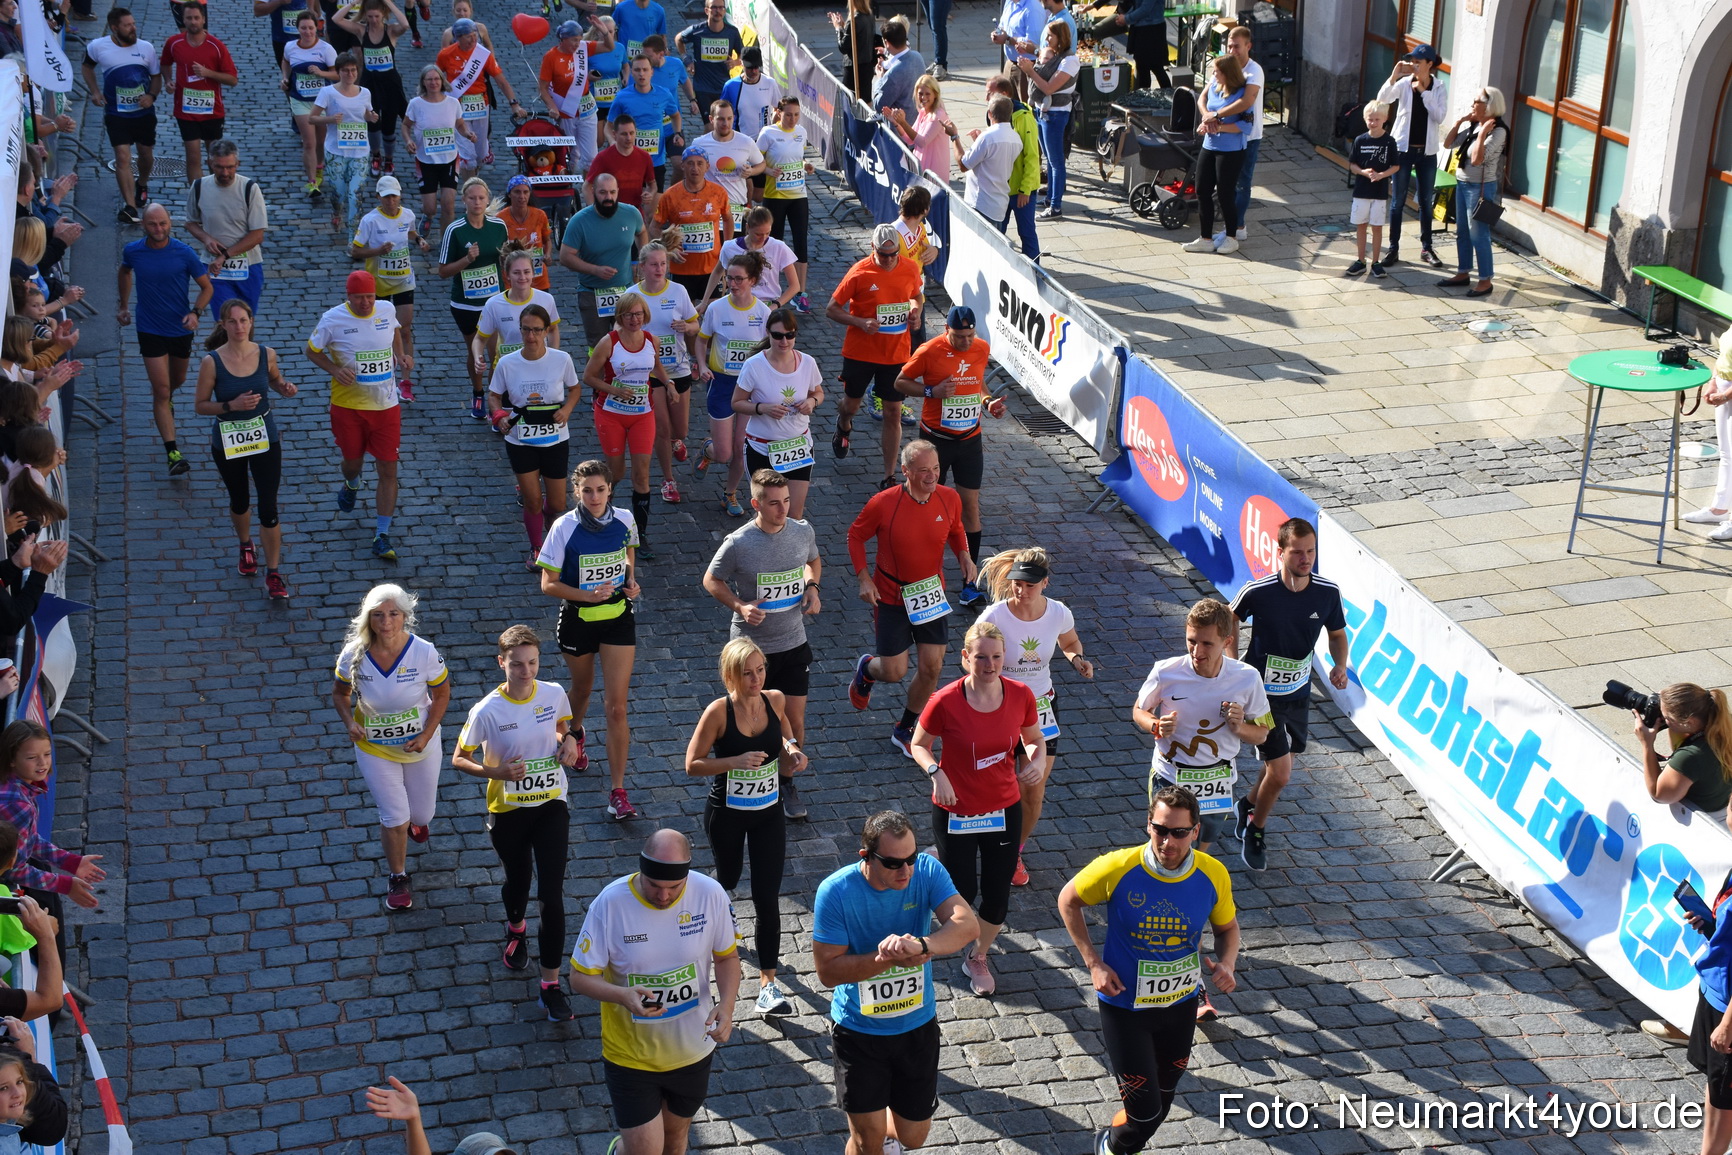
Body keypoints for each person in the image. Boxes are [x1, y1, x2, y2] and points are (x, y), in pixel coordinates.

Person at [1057, 785, 1241, 1154]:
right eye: (1160, 830)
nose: (1168, 842)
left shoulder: (1212, 873)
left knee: (1162, 1103)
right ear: (1148, 826)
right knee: (1143, 1114)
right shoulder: (1118, 866)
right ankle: (1108, 1147)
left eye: (1178, 832)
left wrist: (1227, 963)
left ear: (1195, 831)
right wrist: (1094, 963)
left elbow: (1227, 929)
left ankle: (1115, 1143)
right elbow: (1068, 900)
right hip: (1126, 1007)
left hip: (1180, 1005)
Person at [811, 810, 978, 1155]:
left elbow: (967, 925)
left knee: (913, 1137)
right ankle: (867, 1126)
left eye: (911, 859)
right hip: (858, 1032)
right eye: (892, 863)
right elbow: (827, 973)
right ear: (866, 857)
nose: (905, 871)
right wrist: (884, 959)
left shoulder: (927, 871)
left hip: (916, 1028)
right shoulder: (835, 892)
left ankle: (874, 1119)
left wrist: (923, 945)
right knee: (866, 1141)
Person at [569, 829, 740, 1155]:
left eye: (674, 888)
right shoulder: (610, 903)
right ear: (640, 871)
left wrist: (727, 1006)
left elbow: (727, 958)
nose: (663, 896)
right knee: (644, 1151)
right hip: (631, 1056)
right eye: (654, 886)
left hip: (692, 1050)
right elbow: (578, 977)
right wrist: (622, 995)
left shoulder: (710, 894)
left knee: (674, 1142)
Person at [453, 624, 584, 1020]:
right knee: (518, 880)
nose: (525, 671)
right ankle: (515, 928)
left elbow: (564, 726)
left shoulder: (554, 693)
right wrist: (495, 772)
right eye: (516, 665)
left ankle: (550, 984)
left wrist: (572, 741)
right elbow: (460, 758)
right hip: (508, 809)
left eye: (532, 663)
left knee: (552, 896)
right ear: (501, 664)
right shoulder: (487, 711)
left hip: (550, 804)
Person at [906, 619, 1043, 996]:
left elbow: (1035, 738)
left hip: (1002, 808)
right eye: (981, 657)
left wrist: (1034, 761)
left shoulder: (1020, 695)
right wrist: (936, 772)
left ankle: (978, 955)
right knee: (962, 892)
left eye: (997, 657)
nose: (990, 665)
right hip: (956, 809)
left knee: (998, 895)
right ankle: (938, 858)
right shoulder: (945, 701)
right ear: (966, 658)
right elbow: (918, 743)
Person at [684, 637, 807, 1012]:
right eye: (747, 673)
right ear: (730, 676)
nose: (755, 679)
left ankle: (768, 984)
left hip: (768, 812)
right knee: (729, 877)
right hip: (728, 812)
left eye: (760, 671)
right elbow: (693, 764)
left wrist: (791, 748)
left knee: (767, 897)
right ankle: (712, 905)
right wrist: (734, 761)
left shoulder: (775, 699)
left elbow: (785, 729)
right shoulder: (718, 712)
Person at [1226, 517, 1349, 872]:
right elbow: (1229, 616)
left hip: (1298, 694)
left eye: (1311, 551)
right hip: (1261, 697)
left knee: (1279, 765)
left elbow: (1337, 634)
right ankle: (1255, 829)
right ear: (1280, 552)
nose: (1306, 558)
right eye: (1297, 552)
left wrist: (1340, 665)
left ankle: (1247, 805)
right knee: (1281, 774)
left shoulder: (1326, 592)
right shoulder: (1259, 591)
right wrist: (1235, 664)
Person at [847, 439, 976, 754]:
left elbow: (957, 529)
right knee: (894, 671)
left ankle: (905, 728)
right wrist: (864, 579)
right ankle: (868, 669)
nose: (932, 476)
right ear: (905, 471)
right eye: (923, 471)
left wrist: (964, 555)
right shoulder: (883, 503)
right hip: (891, 594)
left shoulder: (949, 498)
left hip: (930, 593)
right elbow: (855, 536)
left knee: (931, 668)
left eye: (935, 469)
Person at [702, 468, 819, 814]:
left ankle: (786, 785)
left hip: (793, 642)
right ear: (755, 504)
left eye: (786, 501)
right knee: (752, 725)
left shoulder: (802, 530)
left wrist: (812, 586)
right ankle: (744, 782)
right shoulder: (738, 543)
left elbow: (812, 560)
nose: (783, 509)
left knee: (794, 722)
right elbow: (711, 579)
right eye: (774, 504)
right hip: (752, 651)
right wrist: (740, 605)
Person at [976, 546, 1091, 886]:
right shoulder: (993, 617)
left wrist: (1077, 659)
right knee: (992, 785)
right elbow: (970, 660)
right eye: (1016, 583)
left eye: (1029, 584)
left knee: (1033, 791)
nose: (1021, 590)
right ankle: (979, 838)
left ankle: (1014, 851)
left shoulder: (1058, 613)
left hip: (1041, 708)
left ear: (1045, 583)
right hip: (998, 707)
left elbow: (1070, 641)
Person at [537, 459, 643, 821]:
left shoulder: (625, 519)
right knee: (581, 690)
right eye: (587, 490)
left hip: (617, 621)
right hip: (578, 621)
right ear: (577, 493)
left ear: (610, 489)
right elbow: (548, 584)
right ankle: (576, 732)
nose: (595, 496)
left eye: (600, 489)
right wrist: (587, 596)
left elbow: (629, 552)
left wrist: (630, 582)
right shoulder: (563, 528)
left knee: (617, 706)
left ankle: (618, 792)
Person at [332, 584, 449, 909]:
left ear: (405, 617)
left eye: (393, 614)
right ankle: (398, 877)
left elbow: (441, 695)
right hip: (375, 747)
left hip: (418, 744)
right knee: (394, 817)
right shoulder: (353, 654)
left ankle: (416, 823)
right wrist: (349, 722)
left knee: (421, 814)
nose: (386, 622)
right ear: (368, 619)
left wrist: (426, 734)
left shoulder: (424, 652)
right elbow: (340, 695)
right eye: (379, 615)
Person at [1131, 598, 1271, 866]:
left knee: (1204, 842)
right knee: (1166, 842)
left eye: (1207, 643)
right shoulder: (1166, 672)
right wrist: (1155, 725)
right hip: (1170, 773)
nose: (1196, 651)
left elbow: (1263, 733)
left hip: (1217, 776)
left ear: (1227, 642)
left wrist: (1240, 727)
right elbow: (1139, 709)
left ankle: (1194, 879)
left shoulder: (1247, 677)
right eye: (1191, 641)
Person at [893, 305, 1001, 601]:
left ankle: (970, 581)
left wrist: (988, 401)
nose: (966, 342)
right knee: (929, 507)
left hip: (969, 439)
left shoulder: (980, 348)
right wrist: (931, 392)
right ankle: (924, 575)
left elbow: (978, 380)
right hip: (936, 441)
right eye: (958, 336)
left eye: (970, 335)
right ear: (946, 330)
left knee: (970, 507)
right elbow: (900, 382)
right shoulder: (929, 351)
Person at [192, 300, 298, 599]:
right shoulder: (212, 362)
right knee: (240, 500)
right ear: (223, 325)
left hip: (265, 435)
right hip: (228, 438)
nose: (239, 327)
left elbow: (276, 381)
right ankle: (245, 545)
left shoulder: (266, 354)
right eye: (233, 321)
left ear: (251, 322)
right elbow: (200, 406)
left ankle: (274, 572)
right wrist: (231, 406)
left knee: (269, 506)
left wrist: (285, 388)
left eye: (244, 320)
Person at [306, 269, 413, 561]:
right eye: (359, 298)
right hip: (348, 407)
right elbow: (311, 351)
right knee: (352, 463)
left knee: (388, 470)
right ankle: (352, 482)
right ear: (348, 296)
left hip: (386, 407)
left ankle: (382, 533)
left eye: (369, 297)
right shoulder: (333, 319)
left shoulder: (386, 308)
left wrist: (400, 356)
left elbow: (395, 333)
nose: (366, 303)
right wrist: (334, 370)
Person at [117, 204, 214, 477]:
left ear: (170, 223)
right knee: (161, 390)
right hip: (149, 328)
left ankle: (166, 401)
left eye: (162, 224)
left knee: (177, 381)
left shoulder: (184, 253)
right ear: (143, 225)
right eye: (152, 224)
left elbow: (207, 287)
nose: (158, 229)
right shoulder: (133, 251)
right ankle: (173, 453)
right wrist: (123, 305)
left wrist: (195, 313)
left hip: (180, 329)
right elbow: (124, 272)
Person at [826, 223, 923, 481]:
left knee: (893, 412)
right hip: (861, 353)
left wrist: (916, 313)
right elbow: (832, 309)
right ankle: (843, 425)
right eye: (884, 254)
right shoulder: (859, 272)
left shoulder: (910, 267)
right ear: (873, 248)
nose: (890, 260)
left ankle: (889, 475)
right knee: (851, 406)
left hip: (896, 354)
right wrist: (860, 322)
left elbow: (917, 296)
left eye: (894, 254)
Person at [488, 303, 578, 563]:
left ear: (547, 331)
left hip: (555, 438)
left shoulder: (561, 359)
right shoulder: (507, 363)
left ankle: (548, 521)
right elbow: (493, 396)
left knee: (558, 504)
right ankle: (537, 547)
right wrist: (498, 415)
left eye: (537, 330)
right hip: (520, 439)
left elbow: (575, 389)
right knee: (533, 500)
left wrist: (568, 409)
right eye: (526, 330)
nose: (530, 337)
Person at [584, 291, 672, 554]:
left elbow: (655, 366)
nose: (634, 319)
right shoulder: (608, 342)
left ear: (645, 315)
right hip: (611, 413)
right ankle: (599, 519)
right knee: (617, 472)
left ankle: (639, 535)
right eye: (628, 314)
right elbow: (589, 377)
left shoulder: (651, 340)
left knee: (642, 475)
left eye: (638, 314)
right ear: (620, 316)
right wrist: (614, 390)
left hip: (642, 415)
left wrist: (668, 384)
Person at [692, 250, 771, 514]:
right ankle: (708, 449)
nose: (733, 284)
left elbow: (768, 351)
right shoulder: (716, 308)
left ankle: (730, 493)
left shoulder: (762, 313)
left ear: (753, 280)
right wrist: (702, 365)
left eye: (739, 279)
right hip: (722, 383)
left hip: (750, 388)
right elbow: (702, 340)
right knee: (724, 453)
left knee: (741, 448)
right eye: (729, 279)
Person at [0, 721, 103, 910]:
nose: (43, 763)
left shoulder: (18, 787)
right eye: (32, 757)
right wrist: (65, 884)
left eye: (47, 754)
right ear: (12, 759)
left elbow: (27, 840)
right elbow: (12, 867)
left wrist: (70, 862)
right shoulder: (18, 804)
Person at [733, 305, 823, 520]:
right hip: (762, 448)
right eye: (778, 336)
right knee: (768, 516)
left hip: (798, 447)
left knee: (794, 515)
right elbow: (736, 403)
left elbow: (818, 392)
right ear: (768, 334)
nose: (784, 342)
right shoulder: (754, 366)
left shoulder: (808, 362)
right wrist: (762, 408)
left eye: (789, 336)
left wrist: (812, 401)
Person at [629, 243, 699, 504]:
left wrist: (687, 326)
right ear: (642, 266)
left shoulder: (678, 291)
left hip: (678, 368)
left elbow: (695, 325)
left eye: (663, 264)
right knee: (661, 428)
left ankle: (677, 441)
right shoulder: (632, 295)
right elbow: (618, 330)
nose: (659, 269)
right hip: (648, 372)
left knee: (680, 429)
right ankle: (668, 479)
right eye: (654, 264)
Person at [352, 176, 428, 401]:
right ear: (378, 197)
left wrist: (419, 241)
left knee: (404, 329)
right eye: (386, 197)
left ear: (400, 195)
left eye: (394, 196)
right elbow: (355, 251)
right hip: (379, 283)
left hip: (404, 279)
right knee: (383, 332)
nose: (391, 201)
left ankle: (405, 381)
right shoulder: (370, 221)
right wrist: (376, 251)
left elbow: (411, 232)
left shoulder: (408, 215)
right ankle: (386, 377)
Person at [438, 177, 508, 419]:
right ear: (464, 200)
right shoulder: (455, 230)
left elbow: (505, 259)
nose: (477, 202)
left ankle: (493, 398)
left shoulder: (499, 226)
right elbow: (443, 271)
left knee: (495, 353)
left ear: (487, 199)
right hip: (465, 304)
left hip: (494, 302)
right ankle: (477, 392)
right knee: (475, 353)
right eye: (472, 198)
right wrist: (467, 260)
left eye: (481, 198)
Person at [82, 7, 160, 225]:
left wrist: (151, 96)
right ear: (115, 28)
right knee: (123, 157)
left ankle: (142, 183)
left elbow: (156, 77)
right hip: (116, 113)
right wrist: (95, 92)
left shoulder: (146, 48)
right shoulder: (98, 47)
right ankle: (130, 207)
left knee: (145, 155)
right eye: (127, 25)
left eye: (134, 24)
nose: (133, 28)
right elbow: (86, 67)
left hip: (143, 113)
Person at [561, 173, 650, 354]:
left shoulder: (631, 213)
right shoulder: (579, 221)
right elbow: (565, 256)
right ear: (593, 192)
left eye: (612, 192)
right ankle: (597, 381)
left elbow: (641, 232)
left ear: (618, 192)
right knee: (598, 348)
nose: (608, 198)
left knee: (629, 341)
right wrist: (595, 270)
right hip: (592, 293)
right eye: (603, 192)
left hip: (624, 292)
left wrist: (641, 260)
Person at [1375, 42, 1445, 266]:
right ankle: (1393, 249)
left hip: (1427, 152)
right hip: (1403, 151)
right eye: (1412, 62)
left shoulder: (1439, 87)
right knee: (1397, 202)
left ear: (1429, 64)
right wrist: (1393, 76)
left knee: (1426, 201)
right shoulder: (1404, 84)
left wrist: (1424, 93)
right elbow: (1383, 99)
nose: (1414, 65)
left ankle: (1427, 248)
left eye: (1418, 62)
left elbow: (1439, 116)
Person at [184, 141, 270, 321]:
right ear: (210, 163)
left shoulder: (249, 188)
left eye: (230, 167)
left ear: (237, 164)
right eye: (219, 167)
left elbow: (257, 235)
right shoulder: (199, 187)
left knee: (246, 320)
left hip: (248, 266)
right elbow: (191, 222)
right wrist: (206, 239)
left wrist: (225, 256)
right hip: (214, 268)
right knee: (224, 320)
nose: (225, 173)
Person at [1438, 86, 1508, 298]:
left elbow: (1477, 159)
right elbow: (1449, 143)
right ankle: (1463, 272)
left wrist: (1482, 134)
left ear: (1489, 106)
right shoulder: (1474, 127)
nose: (1472, 105)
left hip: (1479, 188)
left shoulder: (1498, 131)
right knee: (1463, 232)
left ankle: (1485, 280)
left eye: (1476, 101)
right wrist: (1460, 123)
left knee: (1479, 235)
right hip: (1462, 183)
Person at [1631, 684, 1732, 825]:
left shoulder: (1691, 756)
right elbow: (1680, 748)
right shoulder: (1723, 723)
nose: (1664, 720)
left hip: (1704, 825)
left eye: (1666, 718)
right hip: (1722, 804)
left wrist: (1646, 744)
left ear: (1688, 722)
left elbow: (1659, 795)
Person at [331, 0, 411, 178]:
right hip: (370, 82)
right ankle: (376, 155)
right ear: (365, 16)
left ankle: (389, 159)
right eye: (370, 16)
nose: (374, 20)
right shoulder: (361, 30)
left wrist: (388, 3)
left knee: (389, 123)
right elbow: (336, 19)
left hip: (390, 81)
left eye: (377, 16)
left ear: (383, 14)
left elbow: (405, 24)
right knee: (372, 121)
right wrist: (353, 4)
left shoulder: (390, 31)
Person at [160, 1, 236, 184]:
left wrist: (208, 73)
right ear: (183, 20)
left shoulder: (216, 46)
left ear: (203, 20)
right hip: (186, 111)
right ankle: (198, 196)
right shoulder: (174, 43)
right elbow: (165, 63)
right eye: (189, 18)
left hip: (212, 111)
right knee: (193, 158)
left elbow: (232, 80)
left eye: (196, 18)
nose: (193, 22)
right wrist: (168, 81)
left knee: (214, 158)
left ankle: (216, 193)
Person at [437, 17, 524, 175]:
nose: (474, 39)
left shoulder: (483, 55)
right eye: (469, 36)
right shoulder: (446, 55)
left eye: (475, 35)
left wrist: (514, 104)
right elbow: (436, 77)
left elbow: (501, 81)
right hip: (457, 107)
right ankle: (470, 191)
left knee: (479, 155)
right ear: (458, 38)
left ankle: (479, 163)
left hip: (481, 106)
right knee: (467, 157)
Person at [1184, 55, 1251, 256]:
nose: (1213, 74)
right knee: (1202, 190)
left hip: (1231, 150)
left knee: (1225, 193)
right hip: (1210, 146)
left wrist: (1219, 125)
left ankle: (1231, 237)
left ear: (1228, 73)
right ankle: (1205, 238)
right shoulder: (1214, 85)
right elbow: (1202, 100)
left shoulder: (1241, 94)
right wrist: (1206, 119)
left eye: (1217, 71)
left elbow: (1246, 125)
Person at [401, 65, 475, 235]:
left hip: (449, 159)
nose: (434, 83)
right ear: (423, 82)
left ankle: (446, 241)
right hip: (425, 161)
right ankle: (427, 216)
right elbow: (405, 125)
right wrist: (408, 140)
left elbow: (460, 124)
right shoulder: (416, 104)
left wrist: (467, 133)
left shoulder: (453, 103)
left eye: (436, 79)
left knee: (448, 204)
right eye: (430, 79)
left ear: (442, 81)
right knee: (430, 207)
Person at [474, 242, 561, 387]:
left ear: (533, 273)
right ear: (507, 275)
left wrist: (552, 356)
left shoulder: (546, 299)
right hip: (507, 371)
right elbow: (479, 339)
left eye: (526, 272)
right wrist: (478, 357)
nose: (522, 277)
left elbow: (552, 330)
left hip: (538, 369)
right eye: (516, 272)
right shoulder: (494, 304)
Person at [756, 97, 815, 312]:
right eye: (788, 114)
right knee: (772, 243)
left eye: (796, 114)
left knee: (801, 242)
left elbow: (796, 158)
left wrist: (805, 165)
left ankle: (801, 294)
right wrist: (768, 171)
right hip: (775, 197)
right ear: (779, 112)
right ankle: (769, 291)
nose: (793, 119)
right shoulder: (768, 134)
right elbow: (756, 162)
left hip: (798, 194)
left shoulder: (801, 133)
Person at [309, 52, 379, 231]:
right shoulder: (328, 92)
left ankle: (353, 236)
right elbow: (312, 118)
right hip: (336, 151)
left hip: (360, 152)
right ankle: (336, 211)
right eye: (346, 71)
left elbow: (366, 114)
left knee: (355, 195)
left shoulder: (366, 93)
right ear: (338, 72)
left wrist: (371, 117)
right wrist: (330, 119)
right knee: (338, 193)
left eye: (353, 70)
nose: (350, 74)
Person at [538, 19, 616, 179]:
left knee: (591, 157)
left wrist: (605, 32)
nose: (577, 43)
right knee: (570, 155)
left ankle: (588, 189)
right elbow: (543, 88)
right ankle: (567, 187)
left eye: (580, 39)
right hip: (566, 112)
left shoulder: (583, 48)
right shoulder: (551, 57)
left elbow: (609, 46)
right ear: (563, 39)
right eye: (574, 40)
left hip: (587, 109)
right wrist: (552, 106)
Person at [1016, 21, 1076, 220]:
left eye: (1051, 36)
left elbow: (1049, 88)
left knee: (1056, 161)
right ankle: (1050, 198)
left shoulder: (1070, 60)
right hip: (1042, 111)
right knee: (1050, 161)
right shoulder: (1054, 55)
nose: (1047, 39)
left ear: (1061, 37)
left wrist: (1030, 71)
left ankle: (1056, 207)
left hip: (1056, 113)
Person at [654, 150, 731, 303]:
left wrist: (726, 247)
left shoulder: (718, 192)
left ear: (707, 166)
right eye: (690, 163)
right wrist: (668, 248)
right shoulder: (670, 195)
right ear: (682, 166)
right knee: (683, 319)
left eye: (699, 163)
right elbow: (654, 227)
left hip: (712, 268)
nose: (695, 168)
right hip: (681, 269)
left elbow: (728, 219)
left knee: (713, 316)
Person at [947, 96, 1020, 248]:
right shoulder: (1016, 138)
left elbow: (963, 164)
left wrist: (954, 137)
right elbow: (994, 160)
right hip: (999, 205)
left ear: (989, 114)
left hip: (981, 204)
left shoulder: (987, 137)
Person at [689, 104, 766, 248]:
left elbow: (761, 164)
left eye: (729, 118)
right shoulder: (699, 144)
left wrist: (751, 172)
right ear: (711, 119)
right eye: (721, 119)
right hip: (708, 207)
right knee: (711, 252)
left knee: (735, 253)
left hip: (736, 208)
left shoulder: (745, 142)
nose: (726, 123)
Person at [280, 11, 339, 198]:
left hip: (321, 103)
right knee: (309, 142)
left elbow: (337, 74)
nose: (307, 32)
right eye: (303, 28)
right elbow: (286, 62)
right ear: (297, 29)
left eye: (311, 28)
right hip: (299, 101)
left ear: (317, 28)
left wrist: (321, 74)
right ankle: (312, 182)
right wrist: (285, 78)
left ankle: (319, 168)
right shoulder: (290, 47)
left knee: (321, 142)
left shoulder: (326, 49)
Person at [1342, 99, 1399, 277]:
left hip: (1379, 192)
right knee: (1361, 225)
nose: (1373, 123)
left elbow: (1395, 166)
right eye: (1370, 119)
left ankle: (1376, 261)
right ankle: (1360, 260)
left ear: (1384, 119)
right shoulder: (1360, 140)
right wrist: (1364, 172)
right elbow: (1352, 165)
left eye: (1377, 119)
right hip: (1361, 190)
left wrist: (1382, 175)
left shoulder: (1389, 142)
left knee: (1377, 227)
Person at [1685, 324, 1732, 540]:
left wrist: (1725, 395)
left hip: (1729, 393)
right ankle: (1719, 508)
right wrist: (1714, 381)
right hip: (1724, 387)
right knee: (1726, 455)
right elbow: (1725, 353)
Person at [700, 206, 797, 309]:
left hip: (767, 305)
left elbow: (795, 285)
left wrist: (775, 305)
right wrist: (704, 302)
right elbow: (717, 272)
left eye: (767, 233)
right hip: (738, 305)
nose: (763, 238)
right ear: (747, 227)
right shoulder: (730, 247)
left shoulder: (779, 247)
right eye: (758, 234)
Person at [610, 55, 682, 193]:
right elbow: (609, 126)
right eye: (637, 70)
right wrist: (612, 141)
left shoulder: (664, 94)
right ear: (632, 72)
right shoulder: (622, 97)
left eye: (645, 69)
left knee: (652, 207)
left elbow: (676, 115)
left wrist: (677, 133)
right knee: (631, 203)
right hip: (630, 158)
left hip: (656, 160)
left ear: (651, 72)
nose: (641, 73)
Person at [676, 0, 742, 125]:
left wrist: (735, 62)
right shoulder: (697, 30)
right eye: (714, 8)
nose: (718, 11)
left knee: (724, 124)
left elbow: (743, 56)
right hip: (703, 87)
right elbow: (678, 39)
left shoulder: (732, 32)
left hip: (724, 87)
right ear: (707, 10)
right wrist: (687, 60)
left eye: (721, 8)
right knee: (710, 125)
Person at [586, 112, 659, 215]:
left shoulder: (644, 157)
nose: (629, 138)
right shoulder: (603, 157)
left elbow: (652, 184)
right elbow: (587, 186)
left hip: (635, 212)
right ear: (614, 134)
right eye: (624, 134)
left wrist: (650, 194)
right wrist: (593, 212)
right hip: (611, 212)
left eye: (631, 133)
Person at [886, 76, 953, 183]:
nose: (923, 97)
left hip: (934, 173)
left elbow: (922, 142)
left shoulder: (938, 115)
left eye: (927, 94)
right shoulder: (923, 112)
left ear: (935, 94)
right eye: (920, 94)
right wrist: (897, 123)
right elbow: (909, 139)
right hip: (922, 169)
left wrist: (903, 122)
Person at [720, 45, 778, 142]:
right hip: (739, 141)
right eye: (750, 68)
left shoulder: (770, 83)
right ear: (741, 64)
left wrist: (773, 130)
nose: (754, 71)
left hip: (764, 141)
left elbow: (779, 108)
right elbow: (721, 113)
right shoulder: (731, 86)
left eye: (756, 67)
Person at [871, 17, 923, 124]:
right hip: (918, 122)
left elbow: (878, 105)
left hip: (900, 130)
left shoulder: (893, 73)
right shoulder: (918, 56)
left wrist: (880, 79)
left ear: (886, 42)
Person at [642, 36, 695, 114]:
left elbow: (685, 81)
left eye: (649, 56)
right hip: (651, 120)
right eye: (644, 55)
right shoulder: (641, 70)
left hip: (672, 119)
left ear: (661, 54)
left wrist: (692, 100)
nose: (645, 59)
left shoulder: (676, 64)